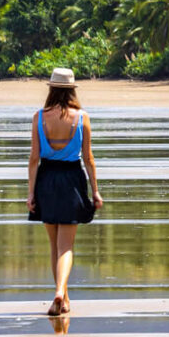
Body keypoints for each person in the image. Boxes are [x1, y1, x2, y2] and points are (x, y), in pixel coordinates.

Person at [26, 67, 102, 315]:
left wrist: (30, 193)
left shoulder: (39, 117)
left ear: (51, 89)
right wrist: (95, 192)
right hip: (72, 179)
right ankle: (61, 292)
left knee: (53, 245)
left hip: (46, 179)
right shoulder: (82, 117)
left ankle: (62, 297)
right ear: (71, 90)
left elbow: (34, 158)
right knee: (66, 247)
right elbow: (89, 158)